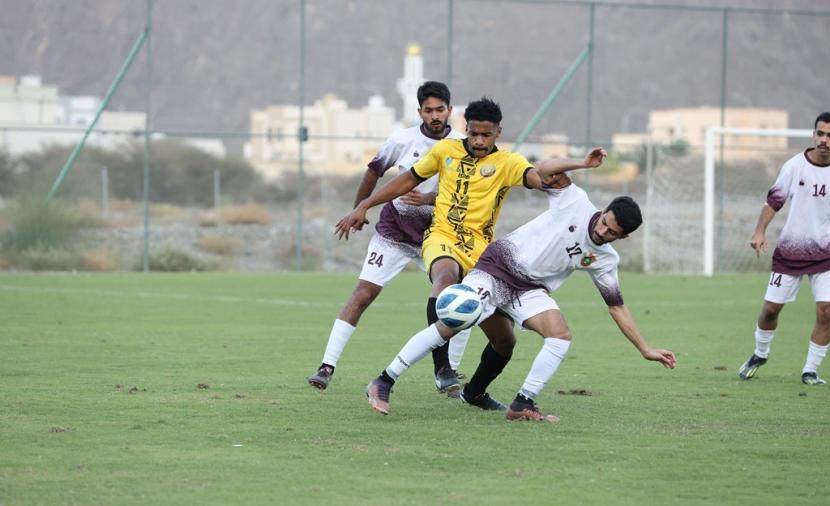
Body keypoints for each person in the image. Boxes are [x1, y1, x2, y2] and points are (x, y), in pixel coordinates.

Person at [335, 97, 606, 398]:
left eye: (485, 135)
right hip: (441, 237)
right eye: (473, 133)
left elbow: (540, 175)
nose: (478, 141)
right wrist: (365, 205)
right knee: (445, 277)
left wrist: (580, 164)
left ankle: (475, 394)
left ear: (498, 133)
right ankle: (442, 369)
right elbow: (407, 180)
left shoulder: (508, 163)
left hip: (482, 254)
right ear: (466, 128)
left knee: (505, 341)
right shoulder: (445, 151)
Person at [362, 176, 677, 419]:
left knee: (541, 337)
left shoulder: (606, 259)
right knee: (453, 323)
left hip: (529, 289)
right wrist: (582, 163)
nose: (603, 232)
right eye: (605, 223)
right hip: (498, 266)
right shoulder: (576, 202)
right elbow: (548, 169)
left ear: (623, 236)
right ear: (604, 210)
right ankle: (384, 381)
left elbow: (616, 307)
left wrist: (645, 349)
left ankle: (518, 402)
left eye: (612, 233)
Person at [307, 81, 473, 393]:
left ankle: (448, 371)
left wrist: (429, 199)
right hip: (394, 231)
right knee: (363, 294)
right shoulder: (402, 139)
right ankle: (326, 366)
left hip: (437, 235)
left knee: (458, 298)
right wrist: (359, 209)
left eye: (440, 110)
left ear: (450, 110)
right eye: (428, 110)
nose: (435, 116)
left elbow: (467, 193)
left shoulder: (462, 145)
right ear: (419, 112)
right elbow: (374, 172)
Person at [738, 111, 830, 386]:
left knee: (827, 311)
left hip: (826, 255)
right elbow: (773, 202)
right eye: (820, 133)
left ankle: (810, 370)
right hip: (791, 253)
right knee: (770, 310)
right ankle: (760, 353)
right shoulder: (794, 166)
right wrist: (759, 232)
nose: (824, 140)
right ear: (813, 134)